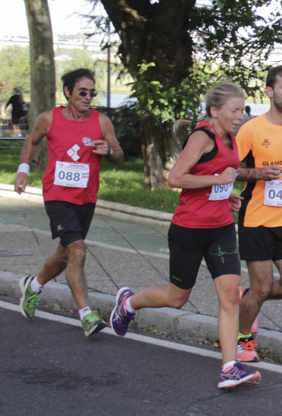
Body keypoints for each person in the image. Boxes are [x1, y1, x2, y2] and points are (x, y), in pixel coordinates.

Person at [109, 82, 260, 389]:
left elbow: (217, 177)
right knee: (177, 298)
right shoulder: (202, 137)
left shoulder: (231, 138)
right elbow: (175, 177)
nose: (239, 116)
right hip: (189, 230)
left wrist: (224, 193)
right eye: (233, 110)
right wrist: (217, 180)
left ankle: (229, 368)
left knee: (230, 294)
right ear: (215, 111)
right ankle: (128, 304)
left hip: (220, 229)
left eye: (242, 110)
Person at [13, 69, 124, 336]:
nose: (88, 98)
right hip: (57, 195)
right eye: (82, 92)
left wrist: (108, 152)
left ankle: (34, 285)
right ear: (68, 92)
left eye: (92, 93)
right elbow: (31, 142)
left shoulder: (101, 121)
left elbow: (118, 154)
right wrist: (23, 169)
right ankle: (86, 315)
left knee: (65, 254)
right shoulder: (49, 119)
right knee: (77, 250)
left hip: (86, 197)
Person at [233, 66, 282, 362]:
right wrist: (258, 173)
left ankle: (247, 300)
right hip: (255, 219)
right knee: (263, 286)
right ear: (270, 91)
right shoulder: (251, 129)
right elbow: (230, 169)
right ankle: (243, 338)